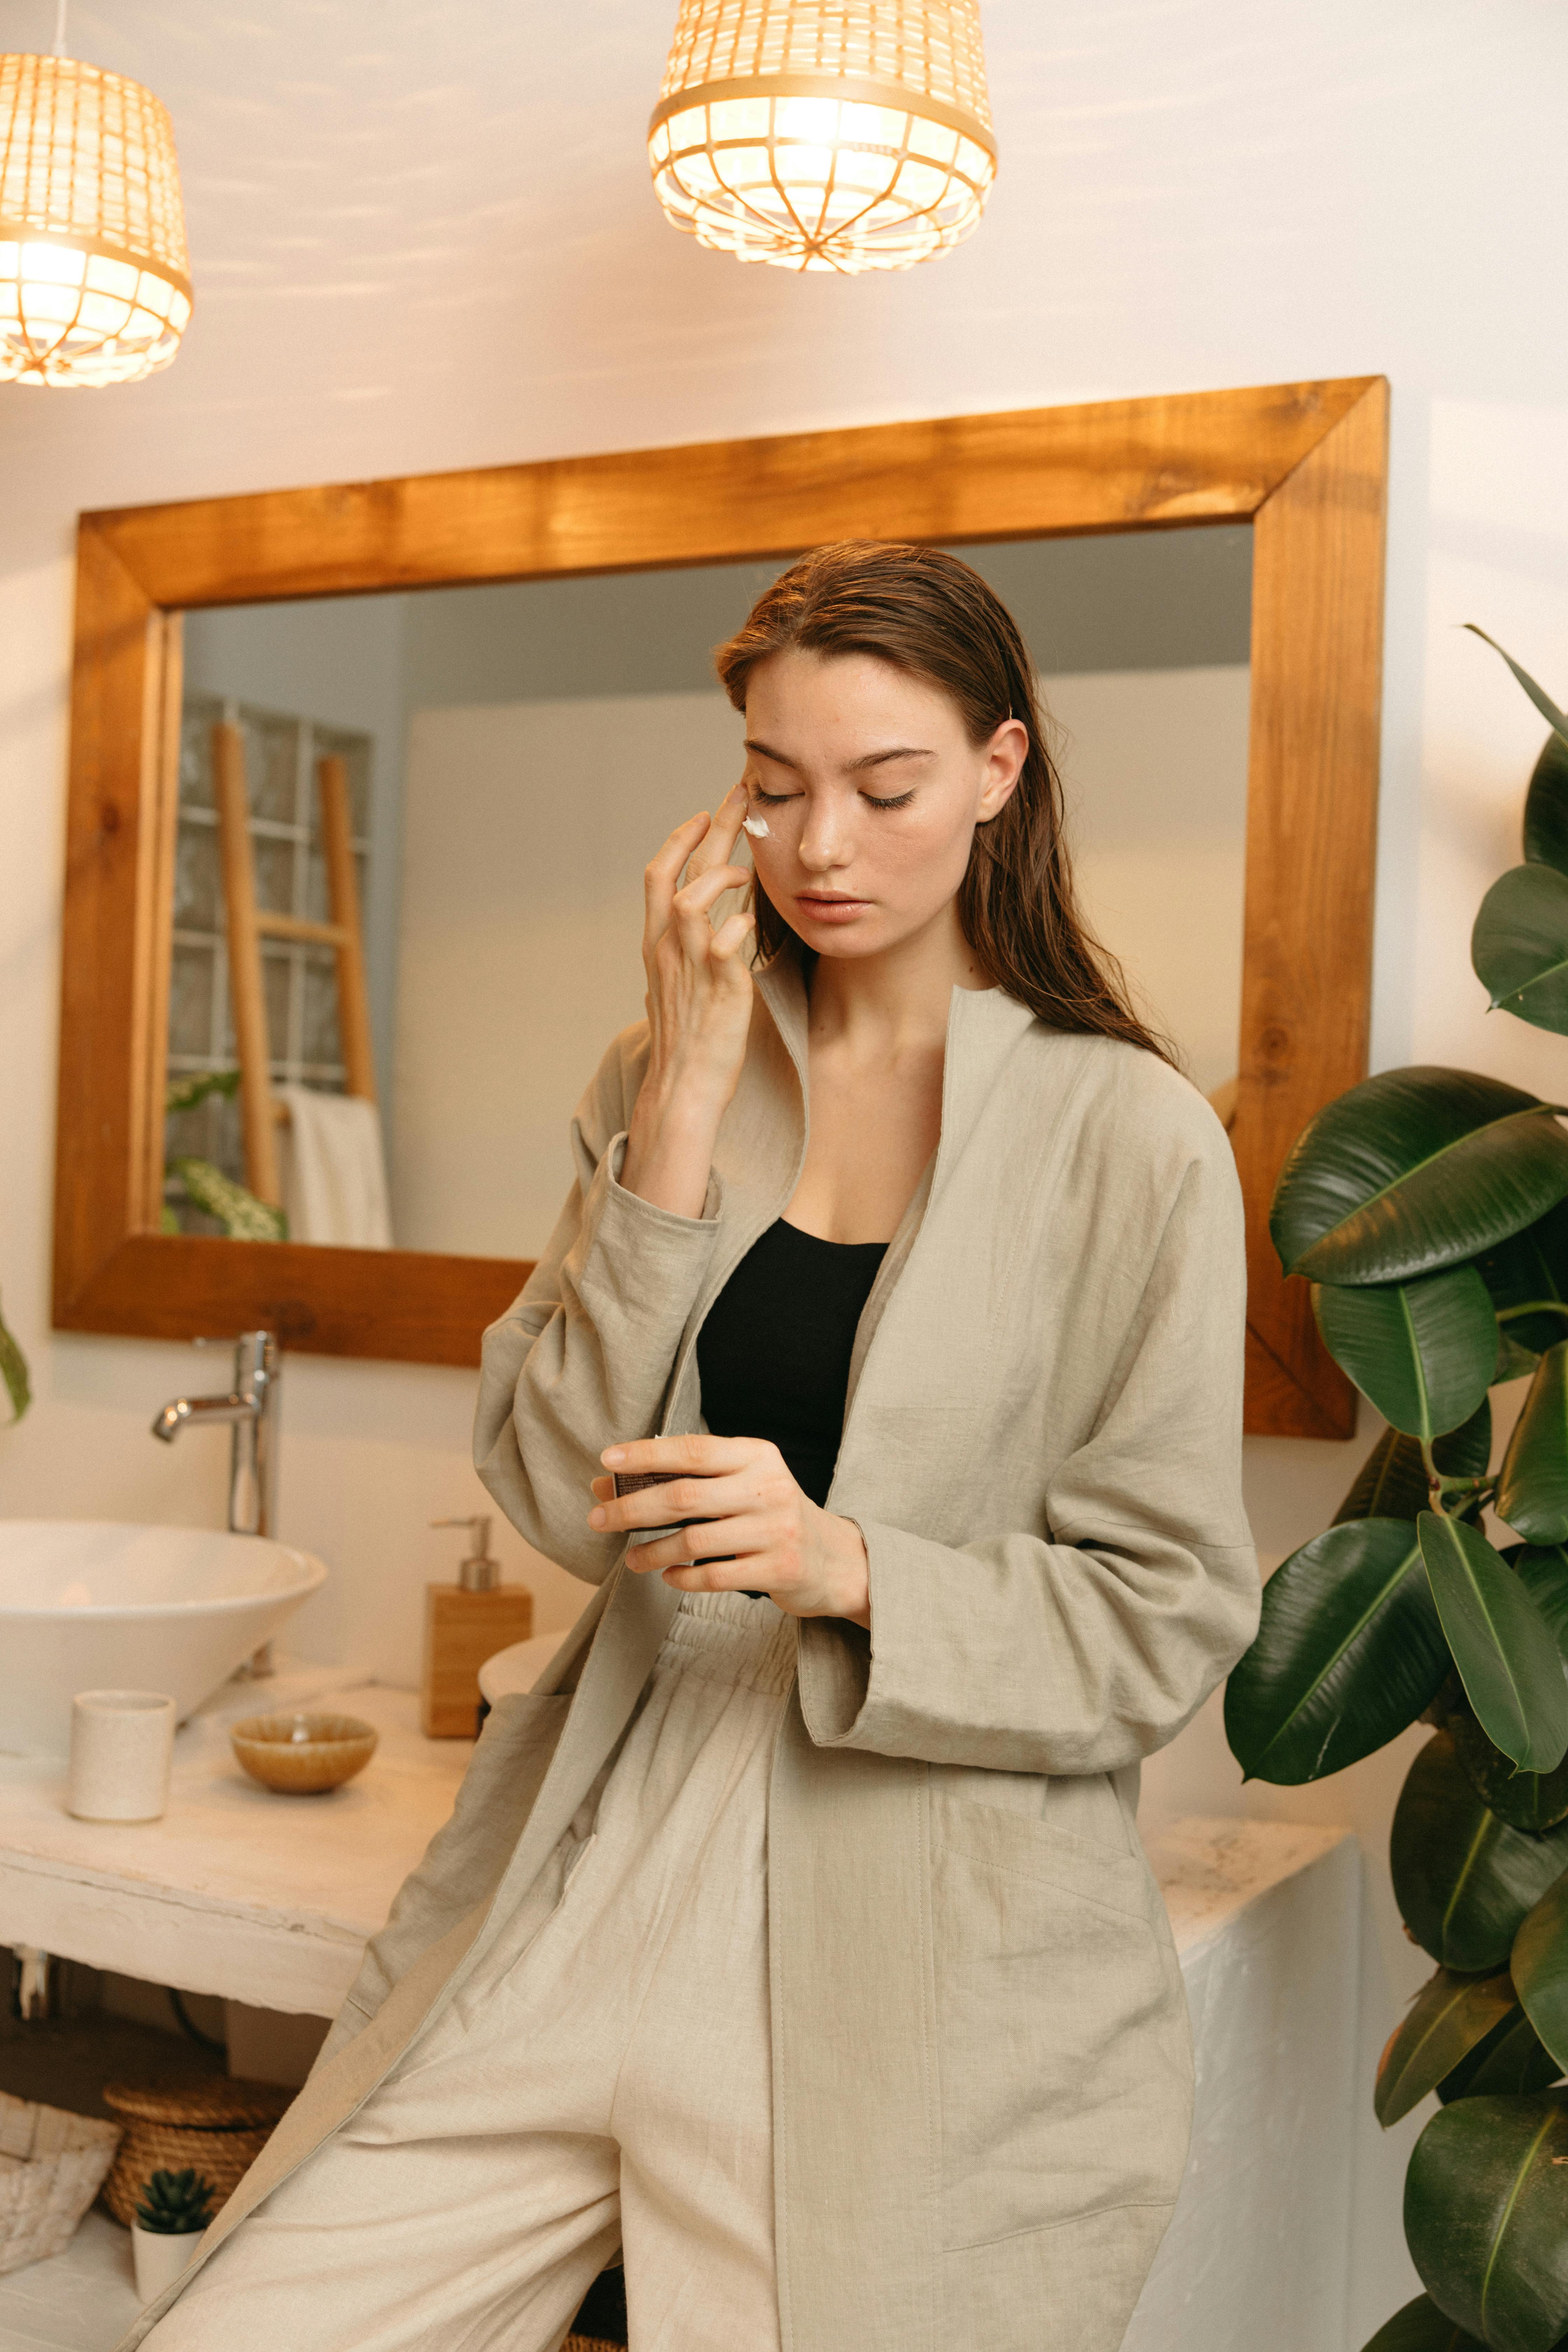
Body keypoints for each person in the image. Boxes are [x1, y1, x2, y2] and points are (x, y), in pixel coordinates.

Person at [130, 542, 1258, 2352]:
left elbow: (1168, 1619)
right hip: (601, 1862)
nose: (821, 849)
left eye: (885, 789)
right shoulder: (661, 1069)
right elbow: (555, 1480)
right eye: (774, 788)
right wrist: (681, 1082)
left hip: (907, 1959)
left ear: (999, 771)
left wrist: (844, 1563)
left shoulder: (1128, 1142)